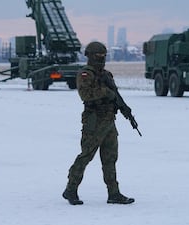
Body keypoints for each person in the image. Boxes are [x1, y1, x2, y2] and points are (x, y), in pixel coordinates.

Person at [62, 41, 134, 205]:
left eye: (103, 56)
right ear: (90, 56)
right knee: (86, 155)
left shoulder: (106, 74)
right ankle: (70, 189)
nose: (101, 59)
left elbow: (115, 96)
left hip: (109, 121)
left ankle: (114, 193)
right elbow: (85, 95)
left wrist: (124, 109)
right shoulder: (85, 74)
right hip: (94, 121)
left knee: (110, 158)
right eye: (98, 56)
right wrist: (105, 92)